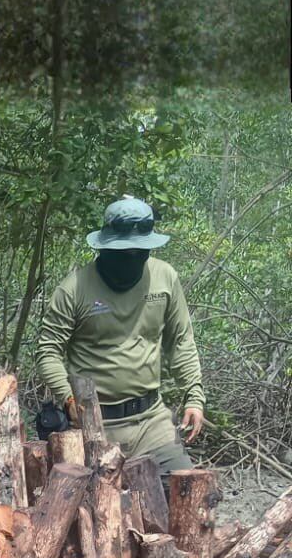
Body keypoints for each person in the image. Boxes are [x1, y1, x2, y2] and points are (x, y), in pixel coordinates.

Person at [36, 197, 205, 475]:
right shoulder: (74, 289)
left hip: (153, 423)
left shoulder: (165, 278)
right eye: (124, 251)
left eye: (140, 251)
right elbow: (48, 352)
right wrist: (68, 399)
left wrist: (194, 397)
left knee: (186, 496)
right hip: (95, 427)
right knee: (97, 511)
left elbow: (181, 342)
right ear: (105, 246)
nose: (132, 257)